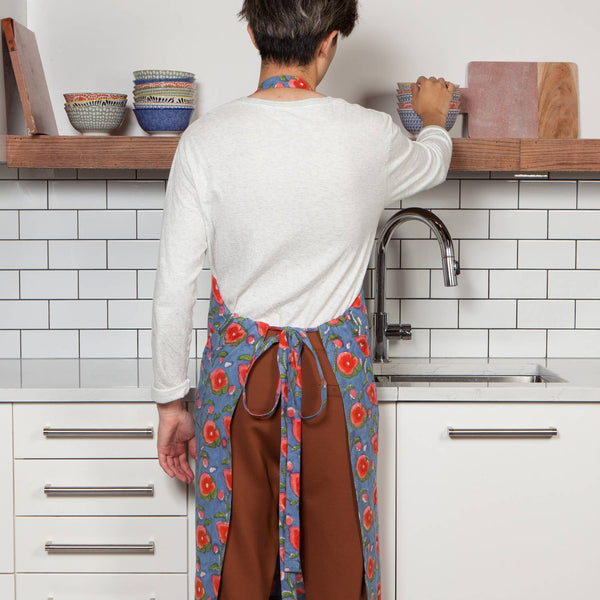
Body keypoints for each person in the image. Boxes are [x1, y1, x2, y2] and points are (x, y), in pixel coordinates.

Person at [150, 2, 454, 599]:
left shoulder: (205, 140)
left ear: (251, 31)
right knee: (341, 558)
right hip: (334, 386)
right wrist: (434, 118)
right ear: (330, 43)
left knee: (236, 558)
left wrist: (169, 403)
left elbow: (173, 289)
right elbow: (431, 163)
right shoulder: (371, 137)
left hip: (236, 387)